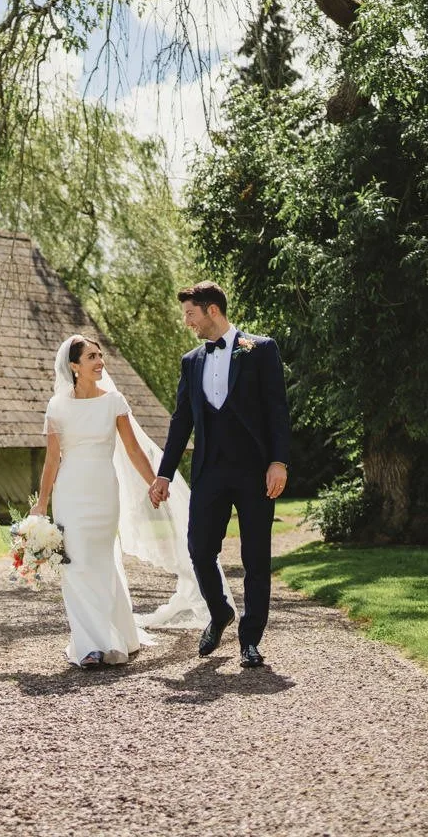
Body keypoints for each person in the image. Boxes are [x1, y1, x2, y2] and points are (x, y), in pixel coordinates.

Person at [32, 334, 220, 666]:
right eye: (91, 356)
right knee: (74, 564)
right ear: (74, 366)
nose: (100, 361)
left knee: (100, 562)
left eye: (100, 355)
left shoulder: (114, 402)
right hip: (70, 492)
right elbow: (51, 460)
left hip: (104, 490)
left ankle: (115, 633)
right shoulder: (57, 406)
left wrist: (154, 483)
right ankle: (90, 645)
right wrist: (41, 503)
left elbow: (133, 449)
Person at [149, 282, 291, 669]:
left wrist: (278, 461)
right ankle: (220, 611)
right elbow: (182, 423)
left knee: (255, 557)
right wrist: (164, 475)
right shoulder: (191, 361)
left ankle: (250, 640)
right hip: (210, 471)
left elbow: (277, 410)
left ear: (212, 310)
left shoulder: (261, 349)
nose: (187, 322)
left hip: (255, 472)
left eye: (190, 314)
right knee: (198, 548)